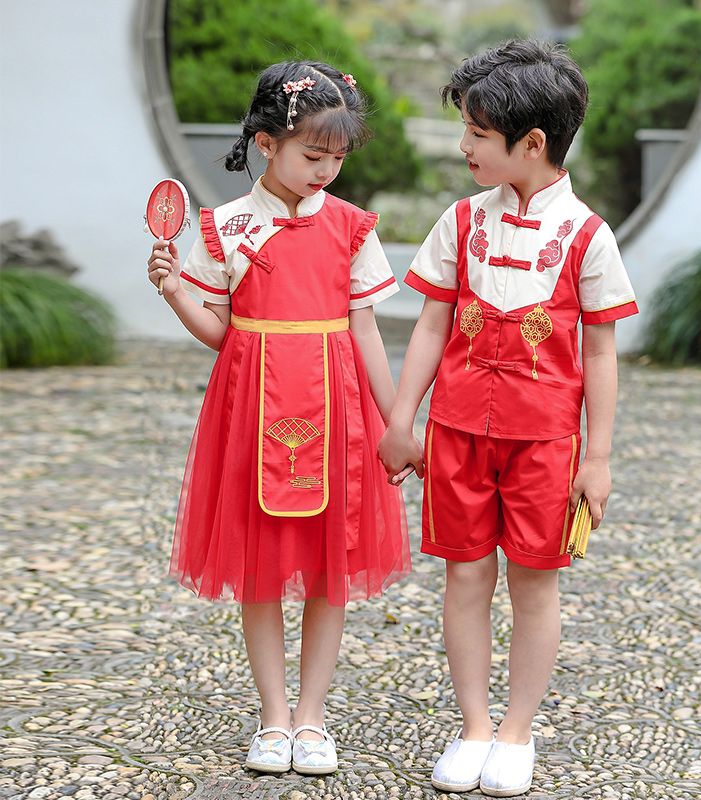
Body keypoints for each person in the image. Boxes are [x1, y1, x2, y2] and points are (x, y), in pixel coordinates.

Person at [378, 39, 638, 797]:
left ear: (532, 144)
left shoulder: (588, 238)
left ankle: (516, 733)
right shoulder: (459, 223)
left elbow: (600, 355)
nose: (464, 147)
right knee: (464, 578)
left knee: (534, 585)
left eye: (477, 135)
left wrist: (598, 456)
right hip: (457, 436)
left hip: (545, 445)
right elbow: (430, 326)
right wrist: (404, 419)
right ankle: (474, 727)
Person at [147, 60, 410, 777]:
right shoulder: (226, 227)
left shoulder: (354, 229)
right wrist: (176, 292)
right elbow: (221, 332)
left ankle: (313, 718)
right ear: (266, 144)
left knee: (333, 566)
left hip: (340, 409)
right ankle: (273, 719)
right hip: (250, 402)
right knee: (258, 568)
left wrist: (396, 422)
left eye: (337, 159)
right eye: (312, 156)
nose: (326, 171)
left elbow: (364, 331)